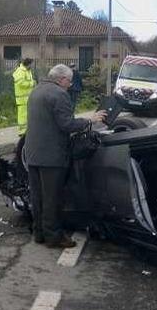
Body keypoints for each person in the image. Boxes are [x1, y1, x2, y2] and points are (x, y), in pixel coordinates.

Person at [24, 64, 106, 248]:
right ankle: (54, 237)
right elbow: (67, 124)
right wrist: (90, 120)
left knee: (38, 197)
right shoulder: (59, 94)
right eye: (69, 81)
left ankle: (39, 233)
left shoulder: (36, 91)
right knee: (53, 198)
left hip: (33, 153)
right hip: (52, 156)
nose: (70, 85)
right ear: (61, 79)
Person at [12, 58, 36, 136]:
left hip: (27, 98)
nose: (32, 66)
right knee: (22, 115)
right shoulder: (20, 71)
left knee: (26, 115)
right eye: (31, 64)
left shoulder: (27, 71)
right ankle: (22, 131)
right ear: (28, 64)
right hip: (22, 98)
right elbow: (20, 83)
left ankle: (26, 130)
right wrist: (32, 84)